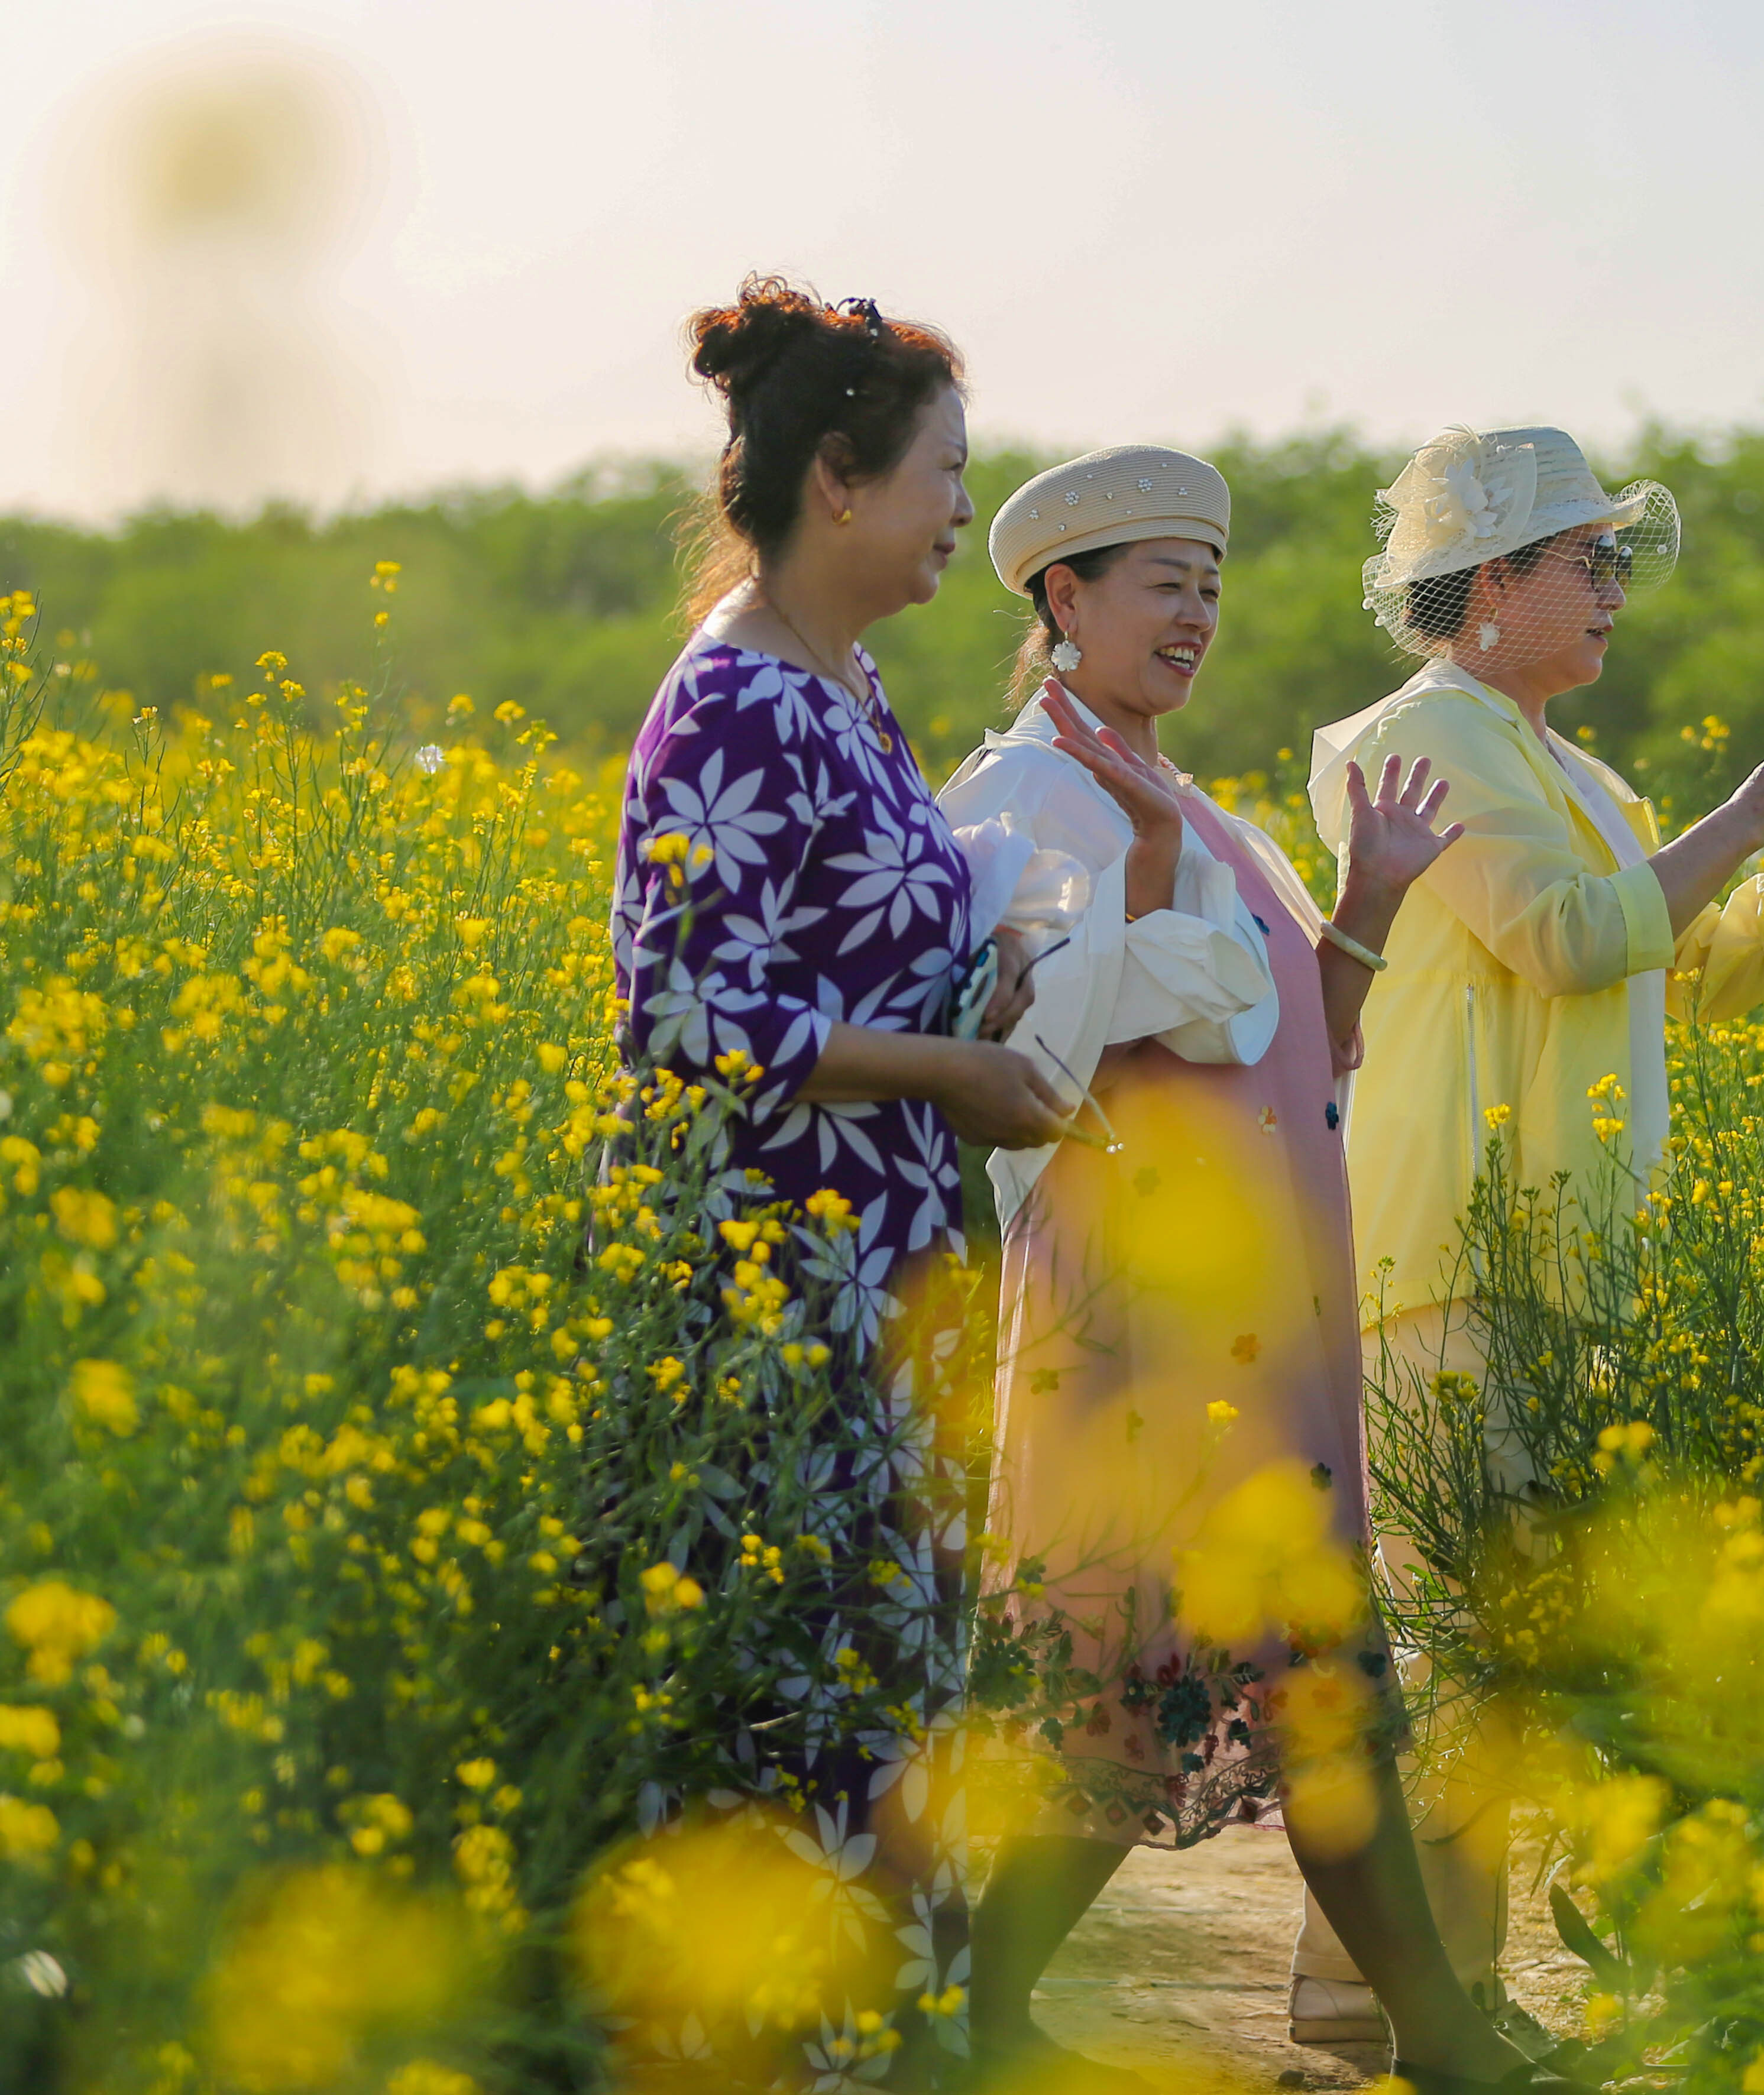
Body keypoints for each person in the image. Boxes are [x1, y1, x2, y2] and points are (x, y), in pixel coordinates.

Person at [937, 446, 1567, 2095]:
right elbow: (1024, 1060)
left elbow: (1312, 1053)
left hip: (1266, 1293)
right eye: (1163, 582)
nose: (1196, 615)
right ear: (1061, 601)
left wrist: (1360, 902)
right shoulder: (1020, 799)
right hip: (1143, 1302)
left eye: (1211, 585)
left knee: (1265, 1672)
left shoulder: (1195, 799)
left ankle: (1003, 2015)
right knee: (1153, 1672)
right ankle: (1411, 2035)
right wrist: (1143, 892)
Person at [1292, 425, 1764, 2035]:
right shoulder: (1415, 740)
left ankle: (1377, 1997)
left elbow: (1690, 976)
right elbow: (1563, 943)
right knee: (1470, 1644)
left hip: (1555, 1254)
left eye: (1619, 556)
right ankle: (1442, 2001)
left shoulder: (1571, 767)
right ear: (1488, 583)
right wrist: (1745, 816)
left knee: (1487, 1641)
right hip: (1454, 1247)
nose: (1615, 588)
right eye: (1586, 560)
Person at [610, 277, 1061, 2087]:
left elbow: (832, 967)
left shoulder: (851, 683)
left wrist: (989, 987)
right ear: (840, 480)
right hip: (774, 1300)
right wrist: (954, 1067)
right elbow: (684, 1013)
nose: (966, 506)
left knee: (885, 1696)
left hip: (886, 1277)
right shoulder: (731, 700)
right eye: (946, 471)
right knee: (796, 1704)